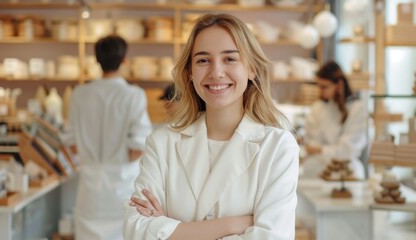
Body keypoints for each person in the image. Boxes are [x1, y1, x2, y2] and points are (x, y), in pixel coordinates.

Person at [123, 13, 299, 240]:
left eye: (230, 59)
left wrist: (170, 230)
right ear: (190, 73)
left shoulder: (277, 147)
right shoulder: (162, 143)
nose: (216, 72)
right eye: (203, 60)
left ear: (252, 68)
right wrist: (230, 225)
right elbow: (135, 230)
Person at [61, 35, 153, 240]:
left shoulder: (79, 94)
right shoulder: (134, 95)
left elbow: (71, 144)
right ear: (124, 60)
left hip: (90, 190)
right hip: (122, 188)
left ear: (96, 60)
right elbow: (138, 147)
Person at [301, 60, 370, 179]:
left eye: (325, 87)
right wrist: (328, 150)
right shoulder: (317, 108)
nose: (321, 92)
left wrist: (321, 150)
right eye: (319, 86)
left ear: (339, 85)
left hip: (348, 171)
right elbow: (311, 143)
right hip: (316, 170)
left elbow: (347, 150)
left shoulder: (357, 109)